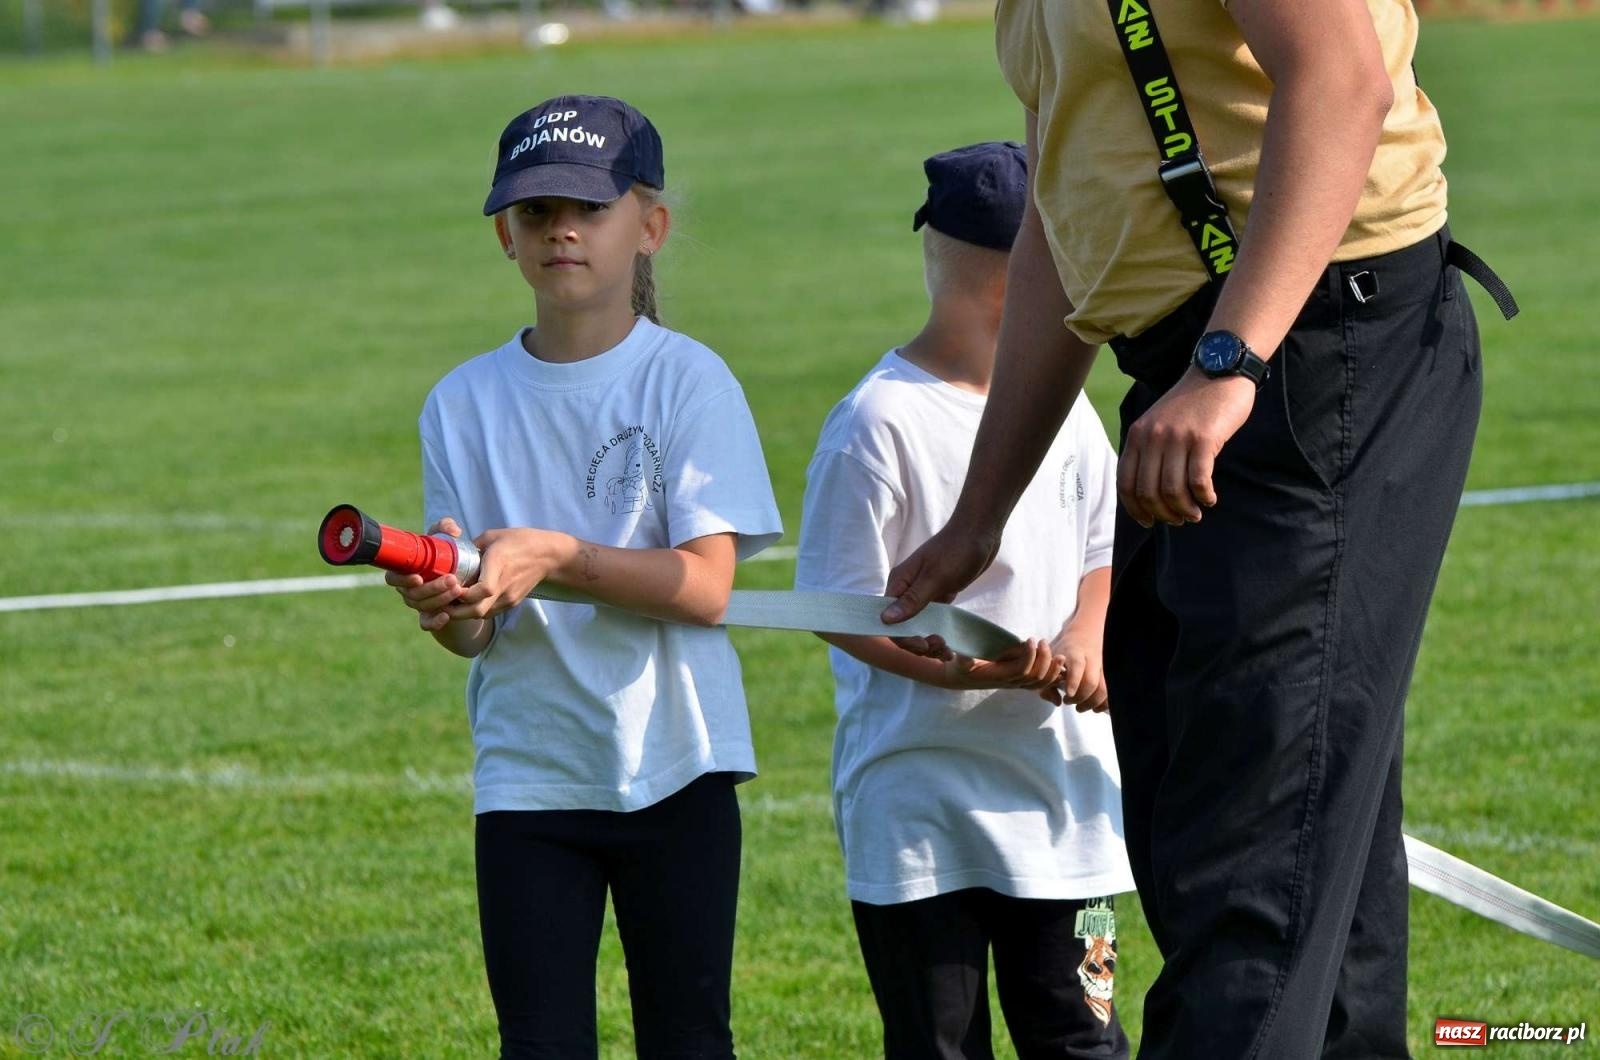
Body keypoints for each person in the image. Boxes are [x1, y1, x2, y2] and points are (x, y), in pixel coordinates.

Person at [878, 2, 1514, 1056]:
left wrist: (1230, 364)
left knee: (1251, 854)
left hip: (1310, 348)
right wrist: (978, 514)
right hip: (1198, 369)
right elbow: (1061, 215)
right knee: (1261, 828)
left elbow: (1339, 77)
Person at [387, 94, 782, 1060]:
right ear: (503, 235)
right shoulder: (461, 402)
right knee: (540, 1045)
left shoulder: (689, 380)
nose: (561, 228)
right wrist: (449, 607)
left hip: (677, 765)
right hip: (530, 776)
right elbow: (477, 632)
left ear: (649, 227)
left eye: (590, 208)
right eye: (534, 211)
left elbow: (706, 586)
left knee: (689, 1041)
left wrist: (559, 552)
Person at [796, 141, 1134, 1060]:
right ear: (1024, 283)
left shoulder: (1068, 408)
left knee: (1087, 1039)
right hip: (917, 822)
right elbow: (835, 603)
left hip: (1071, 815)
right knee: (939, 1045)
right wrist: (952, 672)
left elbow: (1104, 545)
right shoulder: (879, 420)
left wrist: (1087, 633)